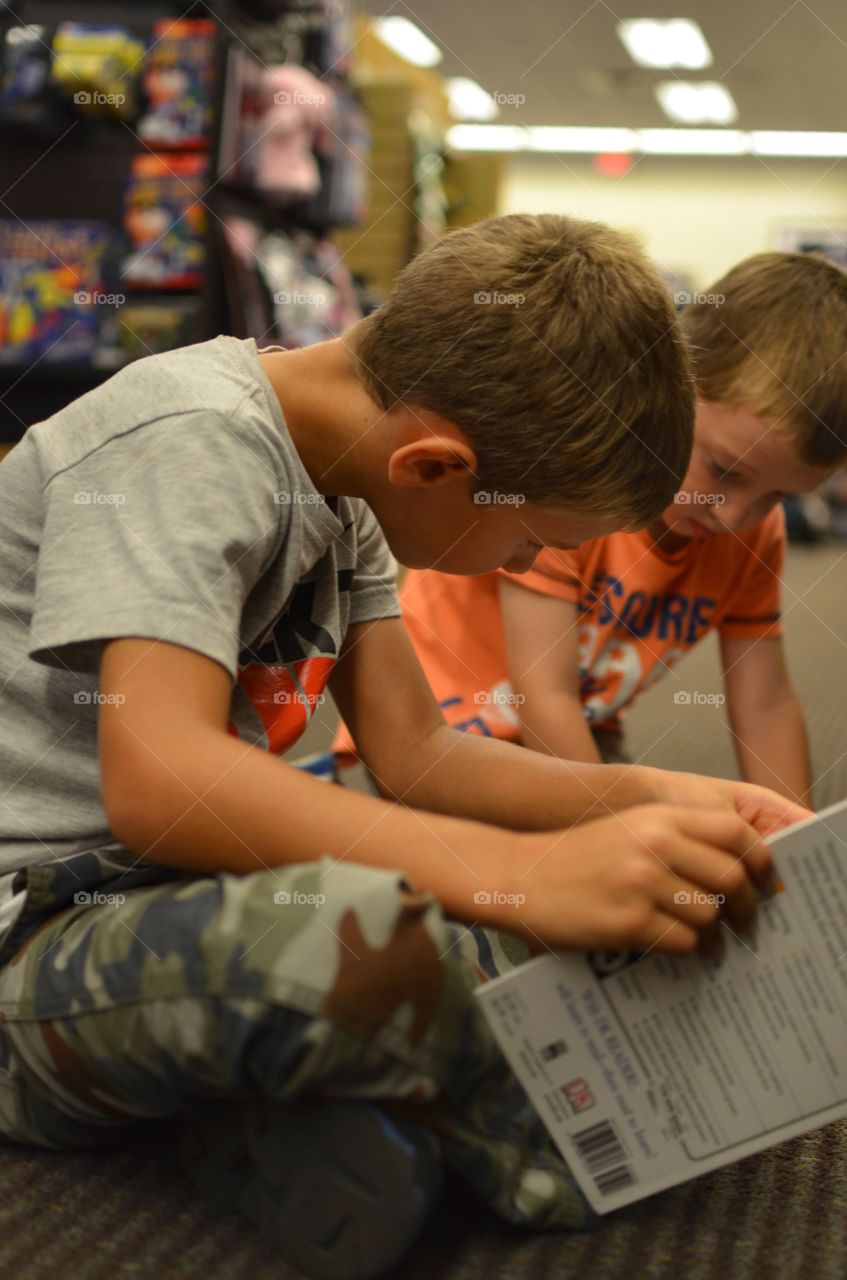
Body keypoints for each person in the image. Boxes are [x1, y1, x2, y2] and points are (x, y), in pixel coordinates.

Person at [0, 216, 805, 1280]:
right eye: (532, 541)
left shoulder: (353, 480)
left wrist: (648, 796)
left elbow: (420, 753)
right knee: (361, 934)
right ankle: (406, 1116)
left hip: (174, 889)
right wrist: (521, 873)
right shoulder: (187, 436)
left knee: (574, 927)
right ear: (438, 463)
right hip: (35, 922)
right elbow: (163, 781)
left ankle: (297, 1105)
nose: (526, 560)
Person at [375, 252, 847, 812]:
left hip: (576, 732)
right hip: (434, 733)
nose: (735, 514)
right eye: (725, 470)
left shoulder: (756, 535)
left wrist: (794, 844)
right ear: (674, 389)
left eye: (779, 496)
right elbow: (542, 694)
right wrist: (619, 839)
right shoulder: (582, 491)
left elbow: (765, 702)